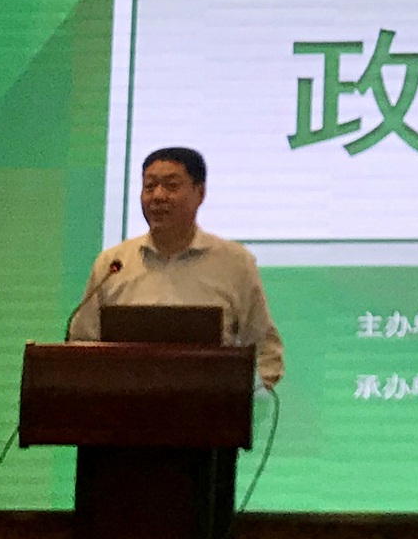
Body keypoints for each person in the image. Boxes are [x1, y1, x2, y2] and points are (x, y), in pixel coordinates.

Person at [67, 146, 283, 388]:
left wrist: (244, 395)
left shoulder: (235, 263)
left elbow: (266, 351)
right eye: (149, 186)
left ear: (200, 193)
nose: (158, 196)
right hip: (125, 404)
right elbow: (81, 343)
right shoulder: (113, 263)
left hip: (208, 406)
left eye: (171, 186)